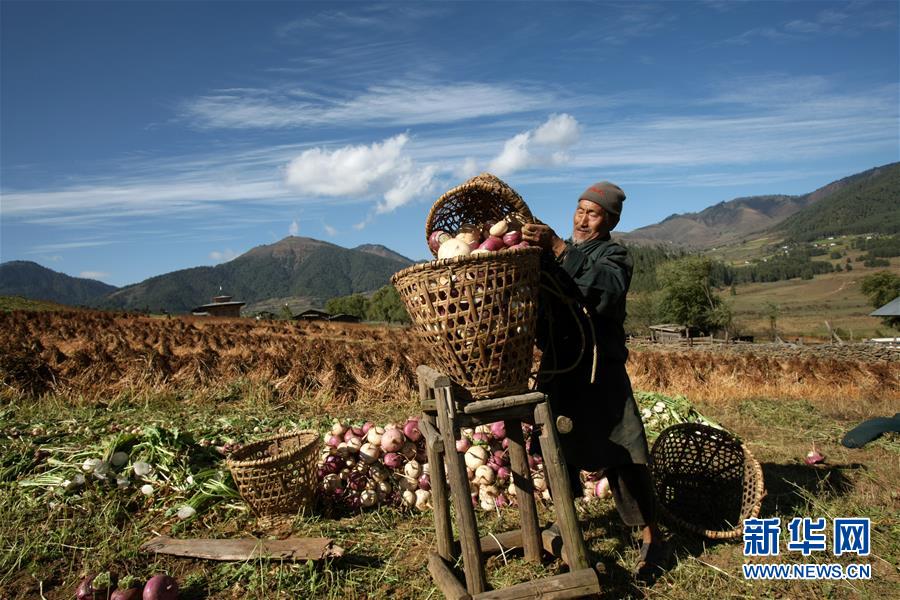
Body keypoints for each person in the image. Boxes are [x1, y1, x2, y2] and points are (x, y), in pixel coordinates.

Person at [521, 181, 667, 582]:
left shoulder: (613, 255)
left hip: (600, 368)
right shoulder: (554, 255)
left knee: (624, 451)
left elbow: (606, 289)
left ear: (610, 220)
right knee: (557, 448)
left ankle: (651, 538)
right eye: (580, 210)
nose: (583, 219)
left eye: (593, 213)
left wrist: (557, 249)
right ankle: (567, 526)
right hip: (560, 366)